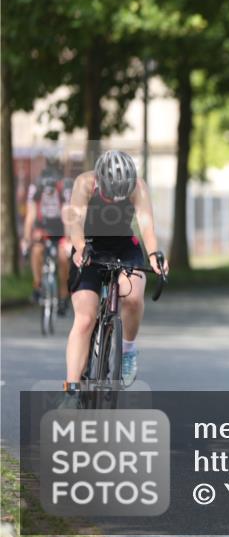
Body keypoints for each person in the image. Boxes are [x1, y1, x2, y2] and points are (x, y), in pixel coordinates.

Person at [62, 150, 168, 406]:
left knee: (132, 296)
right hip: (89, 245)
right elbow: (74, 221)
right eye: (110, 195)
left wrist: (154, 254)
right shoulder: (85, 183)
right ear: (100, 180)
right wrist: (79, 247)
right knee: (85, 318)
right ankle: (71, 389)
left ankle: (128, 350)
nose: (113, 200)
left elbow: (146, 225)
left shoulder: (137, 187)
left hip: (123, 246)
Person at [20, 163, 72, 314]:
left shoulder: (63, 190)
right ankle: (37, 286)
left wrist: (68, 239)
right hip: (42, 227)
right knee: (36, 250)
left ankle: (63, 296)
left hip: (60, 228)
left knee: (63, 258)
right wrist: (26, 239)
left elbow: (67, 217)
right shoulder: (34, 190)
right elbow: (30, 216)